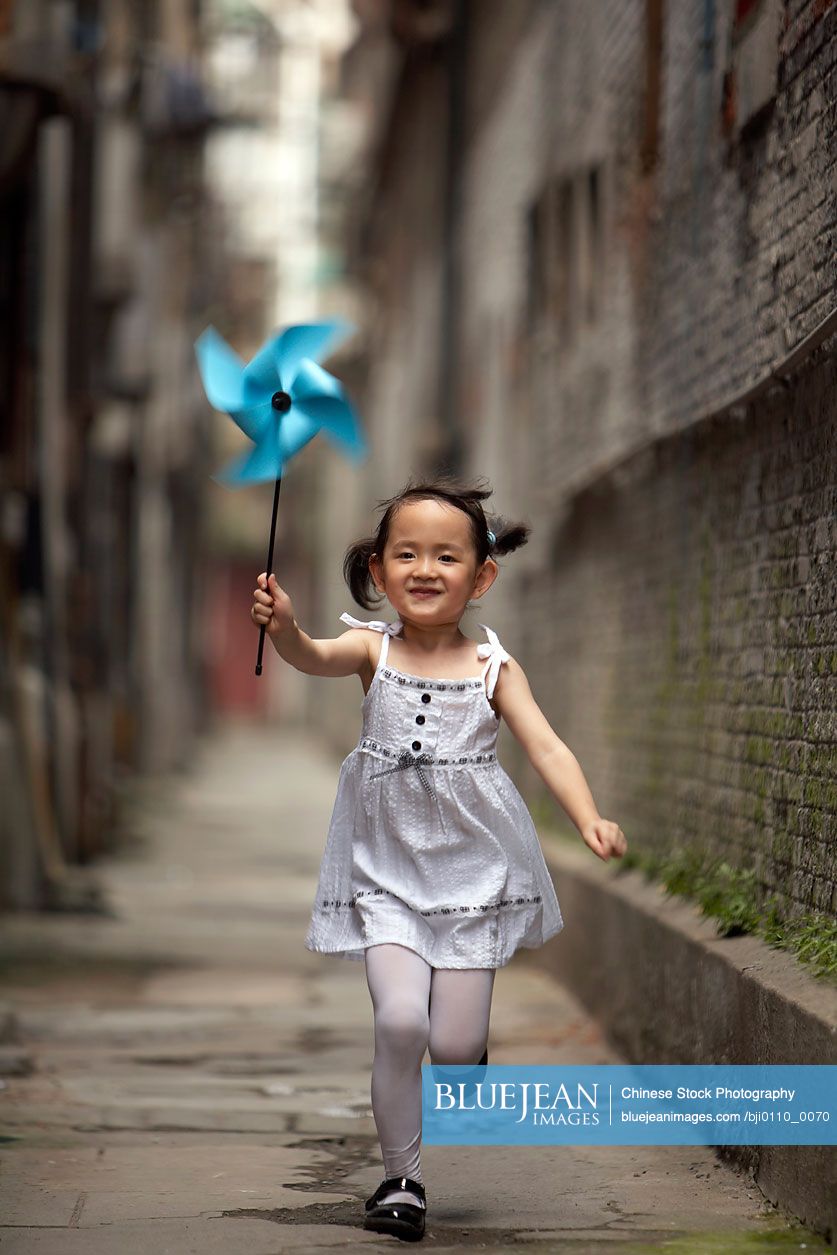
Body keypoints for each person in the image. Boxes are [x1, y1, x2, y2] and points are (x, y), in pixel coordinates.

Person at [250, 473, 627, 1242]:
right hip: (385, 874)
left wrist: (588, 816)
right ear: (380, 569)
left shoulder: (493, 669)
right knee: (397, 1020)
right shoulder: (371, 648)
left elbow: (546, 746)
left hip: (469, 877)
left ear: (481, 574)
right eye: (407, 554)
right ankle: (400, 1179)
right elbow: (311, 654)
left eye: (446, 556)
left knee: (452, 1051)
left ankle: (469, 1050)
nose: (425, 569)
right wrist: (283, 626)